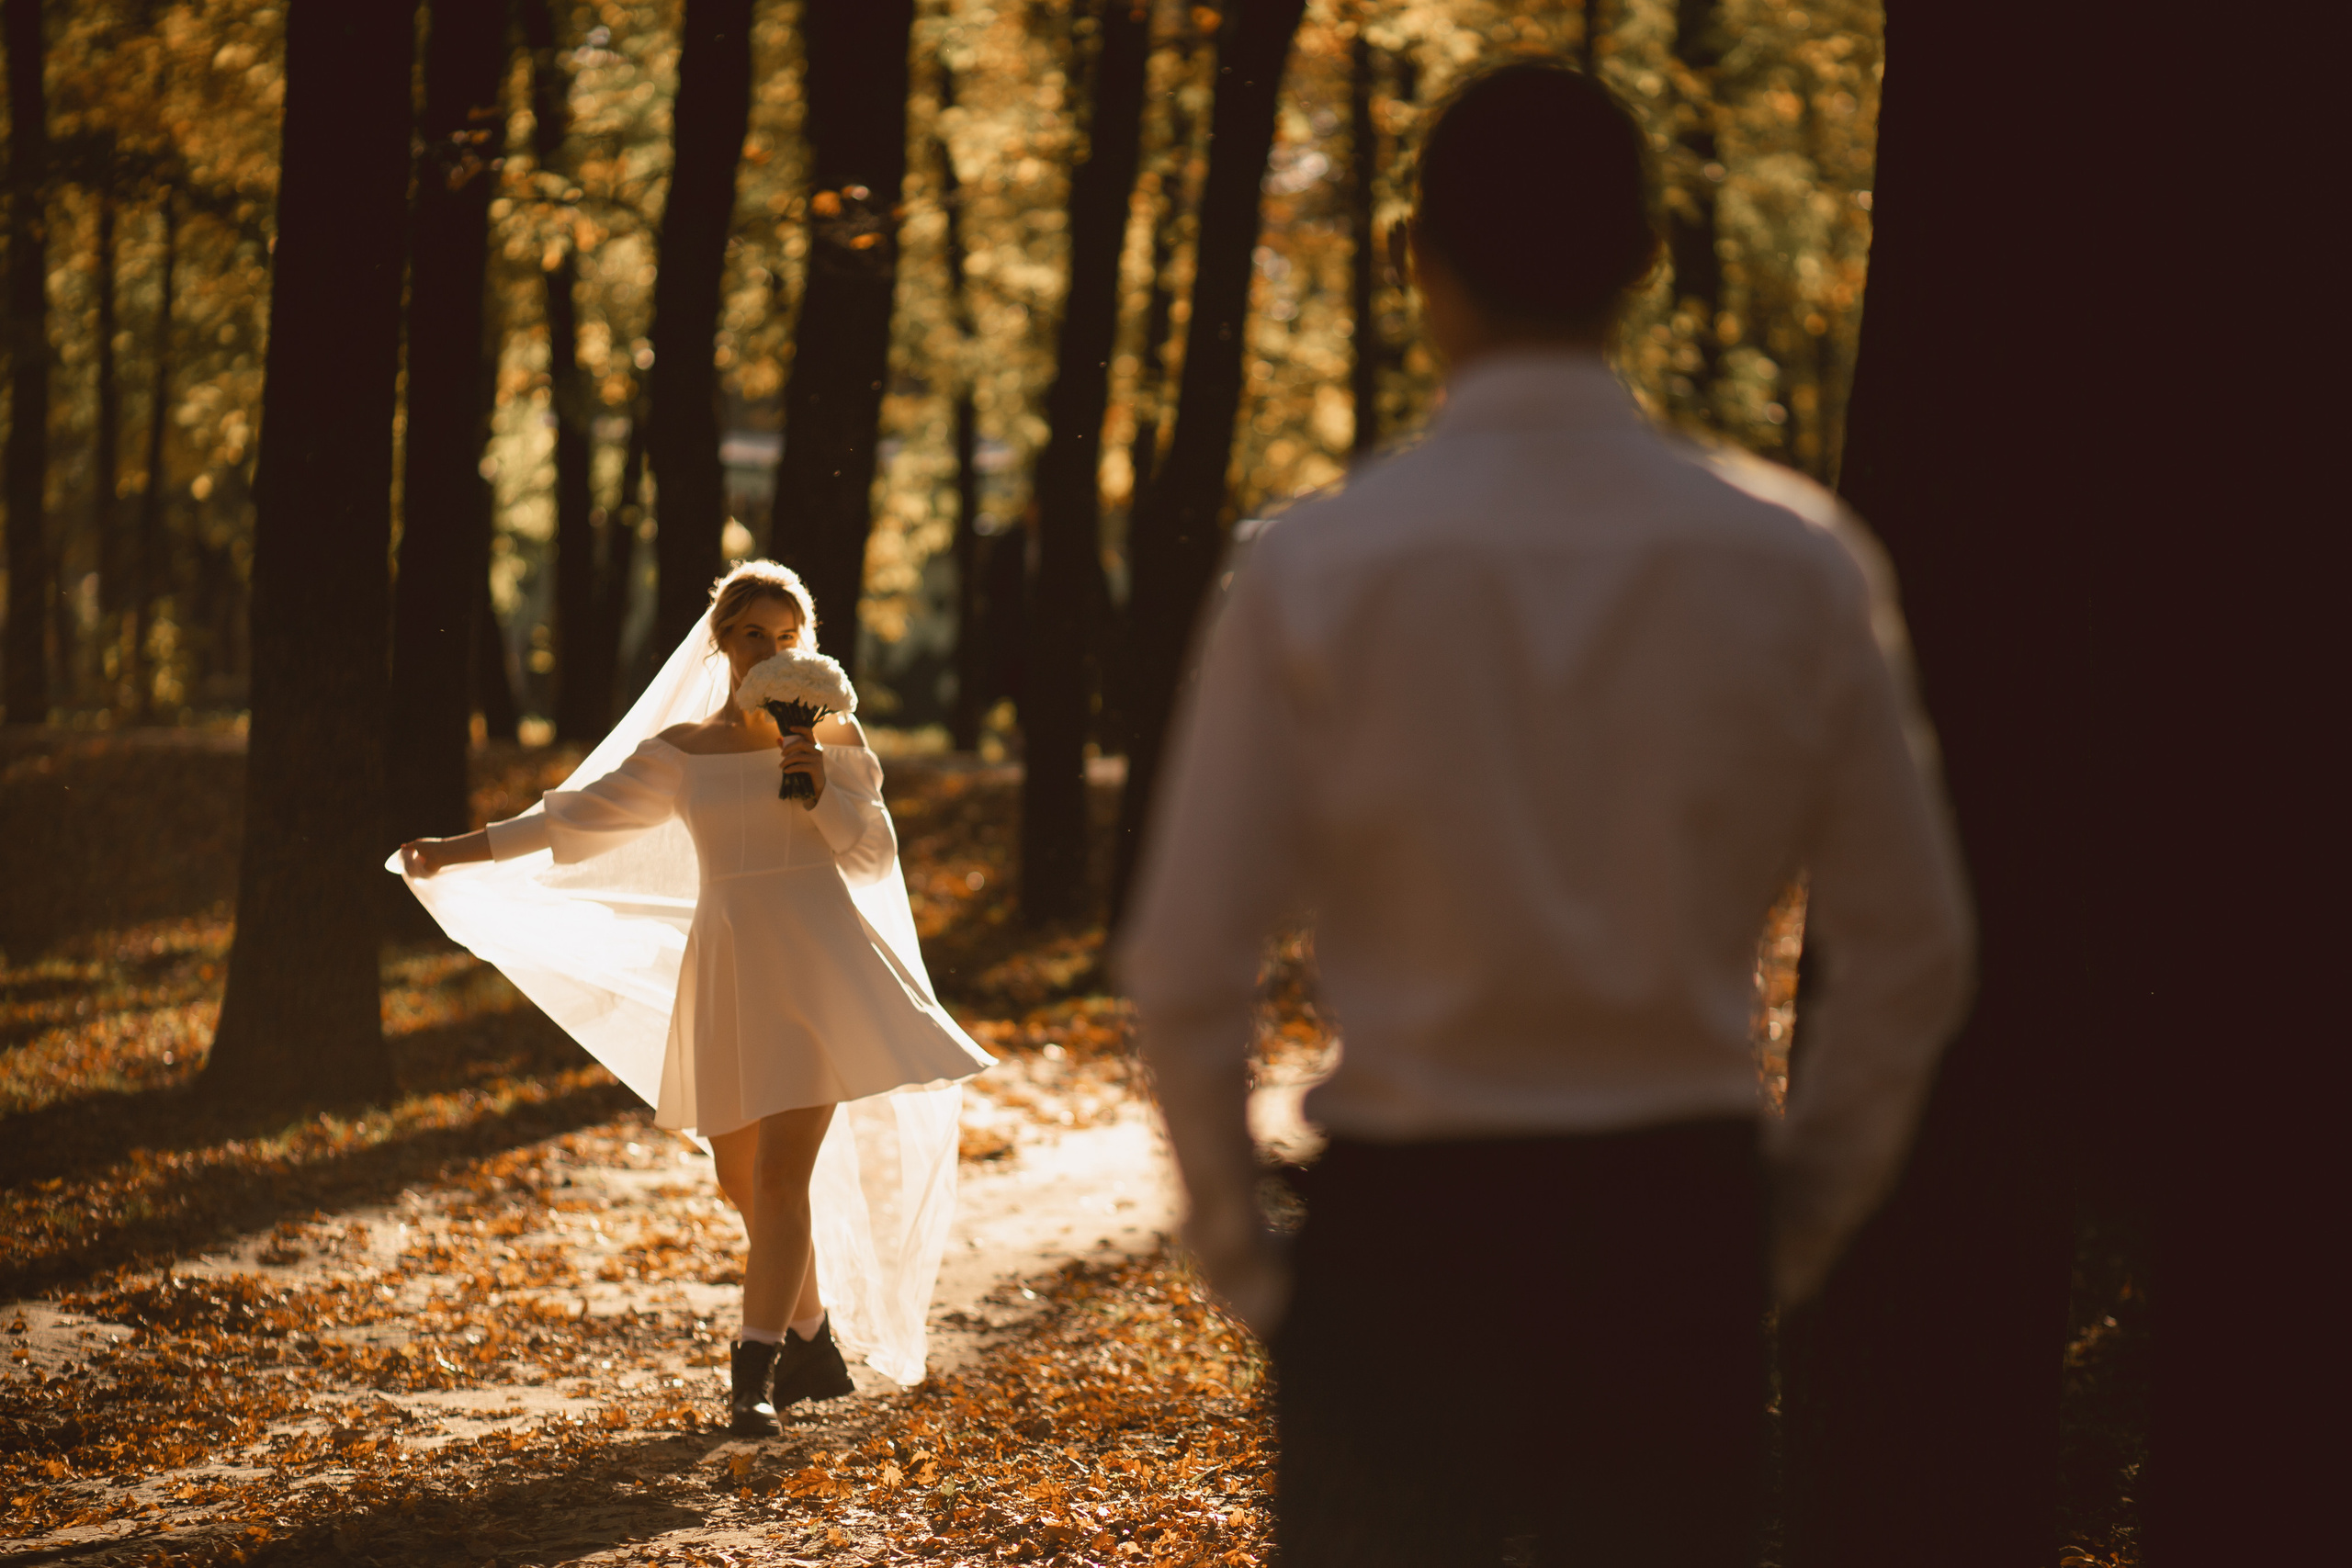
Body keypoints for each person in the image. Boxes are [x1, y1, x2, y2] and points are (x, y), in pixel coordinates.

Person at [1118, 62, 1973, 1565]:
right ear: (1647, 256)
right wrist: (1796, 1218)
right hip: (1672, 1227)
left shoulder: (1316, 568)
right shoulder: (1795, 561)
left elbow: (1189, 961)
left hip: (1404, 1236)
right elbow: (1910, 944)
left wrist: (1253, 1257)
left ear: (1411, 260)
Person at [398, 561, 993, 1437]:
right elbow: (573, 819)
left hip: (819, 964)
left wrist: (820, 783)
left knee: (785, 1177)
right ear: (722, 641)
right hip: (728, 967)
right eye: (755, 633)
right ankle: (814, 1337)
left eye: (789, 636)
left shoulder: (836, 742)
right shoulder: (683, 754)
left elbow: (870, 860)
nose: (773, 649)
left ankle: (751, 1372)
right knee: (742, 1180)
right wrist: (453, 850)